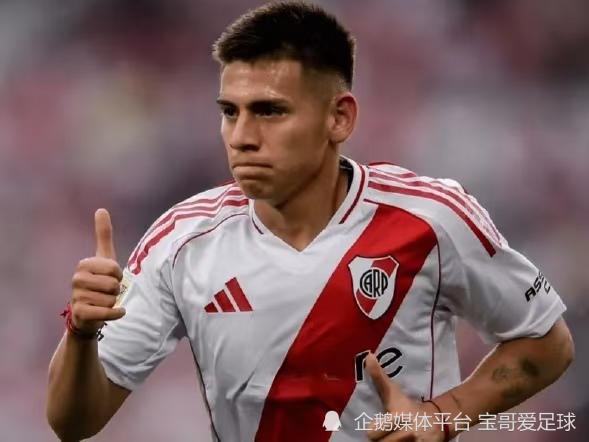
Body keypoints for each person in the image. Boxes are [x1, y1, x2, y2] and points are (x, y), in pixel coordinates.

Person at [46, 2, 574, 441]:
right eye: (230, 112)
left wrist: (441, 416)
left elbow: (546, 343)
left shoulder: (430, 219)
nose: (241, 137)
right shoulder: (181, 240)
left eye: (269, 111)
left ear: (339, 117)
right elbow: (72, 423)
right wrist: (81, 334)